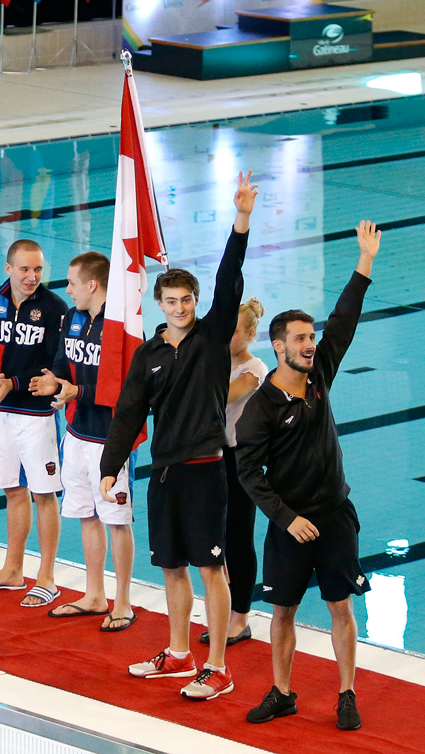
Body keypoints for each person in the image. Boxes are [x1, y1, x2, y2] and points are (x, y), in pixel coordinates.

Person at [100, 171, 257, 701]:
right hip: (163, 471)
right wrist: (108, 466)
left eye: (187, 299)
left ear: (194, 300)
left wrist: (241, 220)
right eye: (170, 301)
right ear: (159, 305)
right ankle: (178, 652)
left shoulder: (212, 339)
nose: (180, 307)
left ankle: (218, 666)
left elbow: (230, 279)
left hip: (205, 470)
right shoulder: (148, 354)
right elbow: (128, 413)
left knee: (211, 567)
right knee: (170, 567)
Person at [237, 221, 381, 731]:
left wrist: (364, 263)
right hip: (291, 525)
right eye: (300, 338)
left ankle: (346, 694)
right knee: (281, 613)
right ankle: (281, 692)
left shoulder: (320, 374)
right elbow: (249, 472)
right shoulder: (261, 407)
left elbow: (344, 320)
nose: (311, 344)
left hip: (335, 517)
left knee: (341, 607)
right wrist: (286, 517)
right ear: (278, 347)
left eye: (310, 336)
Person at [32, 251, 139, 631]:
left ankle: (123, 601)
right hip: (76, 434)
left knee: (115, 519)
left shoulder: (120, 327)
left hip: (112, 438)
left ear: (92, 284)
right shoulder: (72, 318)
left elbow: (126, 388)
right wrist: (56, 383)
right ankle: (95, 594)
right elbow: (63, 362)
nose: (67, 290)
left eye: (72, 283)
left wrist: (75, 390)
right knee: (86, 514)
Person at [0, 238, 66, 601]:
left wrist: (16, 383)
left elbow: (59, 363)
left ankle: (48, 577)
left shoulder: (55, 307)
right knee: (13, 490)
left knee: (44, 494)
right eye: (24, 269)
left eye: (38, 269)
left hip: (37, 414)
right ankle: (12, 570)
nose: (32, 276)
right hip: (2, 412)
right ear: (8, 269)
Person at [199, 297, 268, 646]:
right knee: (216, 539)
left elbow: (222, 397)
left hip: (240, 461)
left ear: (251, 333)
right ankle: (224, 610)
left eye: (234, 331)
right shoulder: (215, 362)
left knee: (240, 538)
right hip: (211, 456)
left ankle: (240, 617)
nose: (226, 337)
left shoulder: (254, 369)